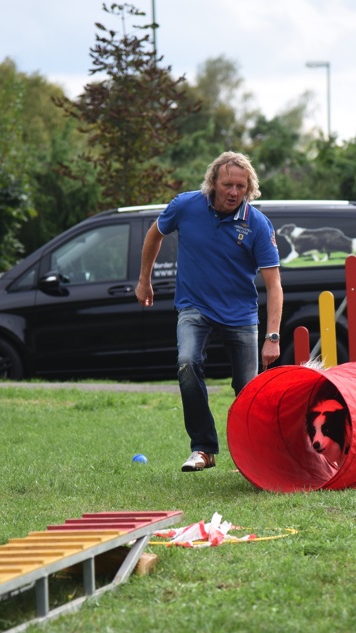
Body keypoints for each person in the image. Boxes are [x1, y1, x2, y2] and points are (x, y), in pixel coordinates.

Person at [135, 151, 283, 471]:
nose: (233, 192)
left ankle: (257, 455)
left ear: (249, 188)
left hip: (240, 314)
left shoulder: (256, 224)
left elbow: (274, 285)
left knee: (247, 389)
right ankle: (203, 448)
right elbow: (154, 234)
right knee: (187, 362)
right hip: (194, 306)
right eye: (228, 184)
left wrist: (273, 336)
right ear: (213, 182)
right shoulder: (185, 205)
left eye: (241, 187)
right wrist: (144, 280)